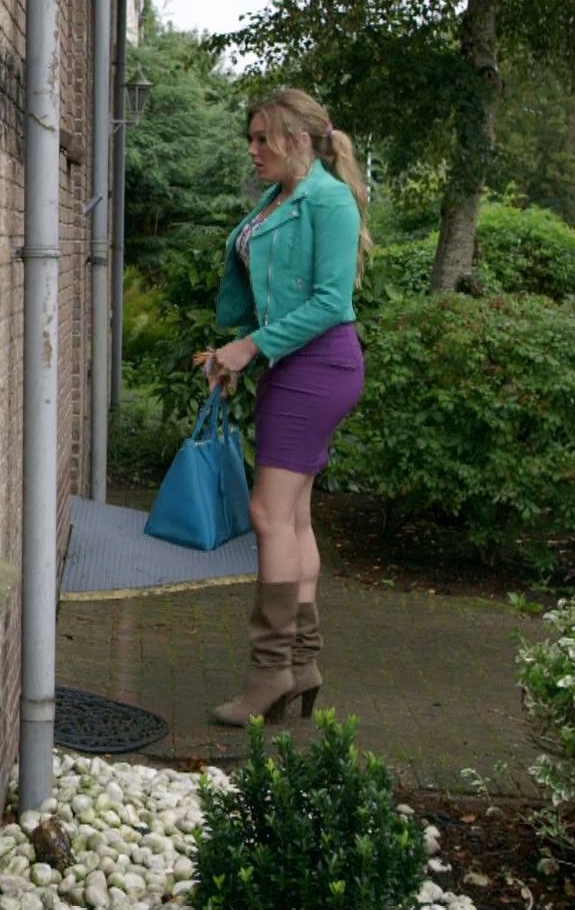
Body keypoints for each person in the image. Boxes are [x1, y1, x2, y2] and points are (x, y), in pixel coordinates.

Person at [197, 87, 371, 727]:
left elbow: (330, 302)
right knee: (292, 518)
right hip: (292, 364)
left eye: (261, 138)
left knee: (268, 514)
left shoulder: (329, 200)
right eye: (250, 137)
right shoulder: (280, 198)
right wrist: (239, 350)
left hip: (319, 366)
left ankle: (269, 674)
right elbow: (272, 294)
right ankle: (301, 663)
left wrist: (251, 347)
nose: (252, 149)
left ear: (298, 140)